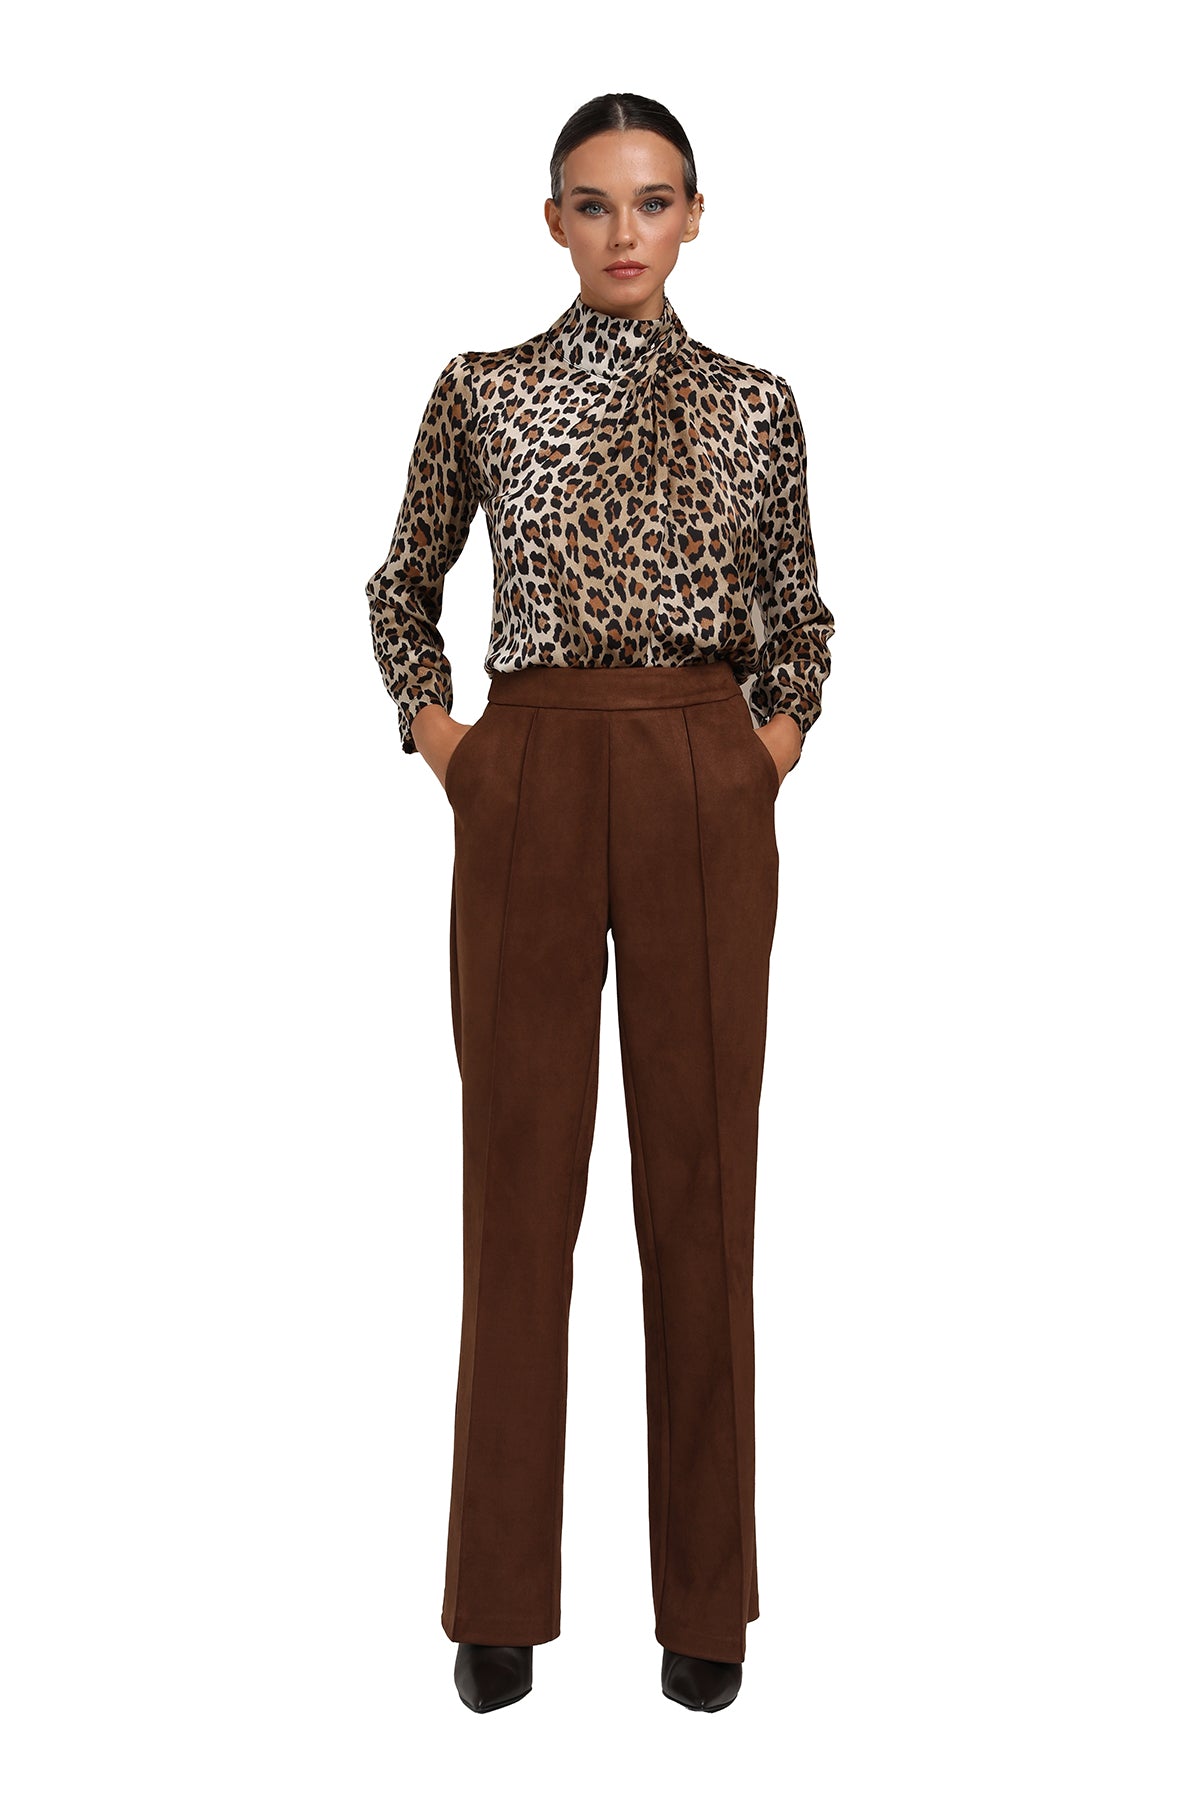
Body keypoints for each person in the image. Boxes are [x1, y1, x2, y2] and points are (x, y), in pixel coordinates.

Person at [365, 91, 834, 1714]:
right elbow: (402, 585)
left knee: (702, 1193)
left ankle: (707, 1610)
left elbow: (803, 615)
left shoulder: (758, 406)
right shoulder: (484, 390)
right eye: (593, 201)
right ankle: (496, 1602)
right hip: (534, 775)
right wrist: (452, 747)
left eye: (652, 200)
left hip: (703, 771)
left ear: (696, 215)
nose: (624, 230)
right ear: (553, 219)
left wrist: (764, 750)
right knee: (518, 1193)